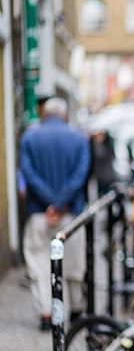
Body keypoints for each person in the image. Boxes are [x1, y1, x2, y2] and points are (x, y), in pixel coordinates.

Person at [20, 97, 91, 331]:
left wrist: (50, 203)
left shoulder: (29, 138)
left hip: (39, 213)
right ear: (65, 115)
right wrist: (61, 203)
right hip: (70, 215)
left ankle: (47, 313)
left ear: (44, 114)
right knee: (73, 264)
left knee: (39, 263)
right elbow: (80, 175)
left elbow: (28, 173)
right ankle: (76, 309)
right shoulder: (79, 139)